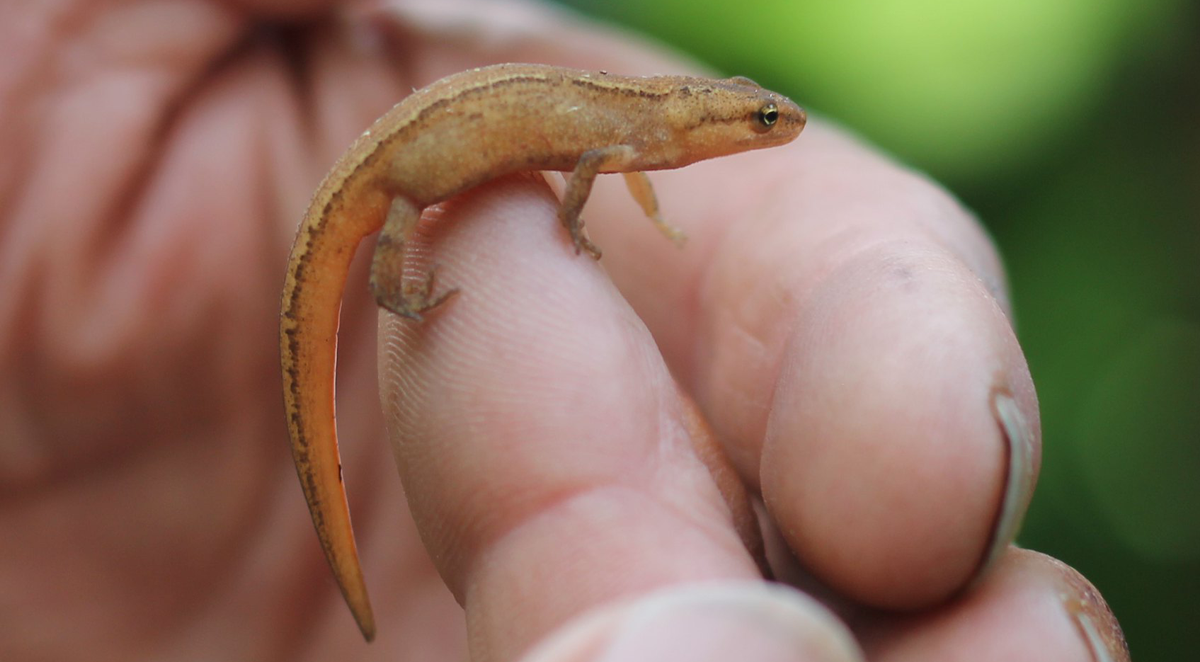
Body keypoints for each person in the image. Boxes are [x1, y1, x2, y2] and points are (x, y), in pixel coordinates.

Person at [0, 0, 1128, 660]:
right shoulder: (643, 132)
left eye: (770, 119)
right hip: (396, 172)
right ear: (721, 118)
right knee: (402, 235)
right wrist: (577, 225)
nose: (768, 130)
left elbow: (614, 165)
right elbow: (586, 165)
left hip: (430, 154)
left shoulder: (663, 137)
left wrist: (641, 221)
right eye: (760, 119)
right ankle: (394, 291)